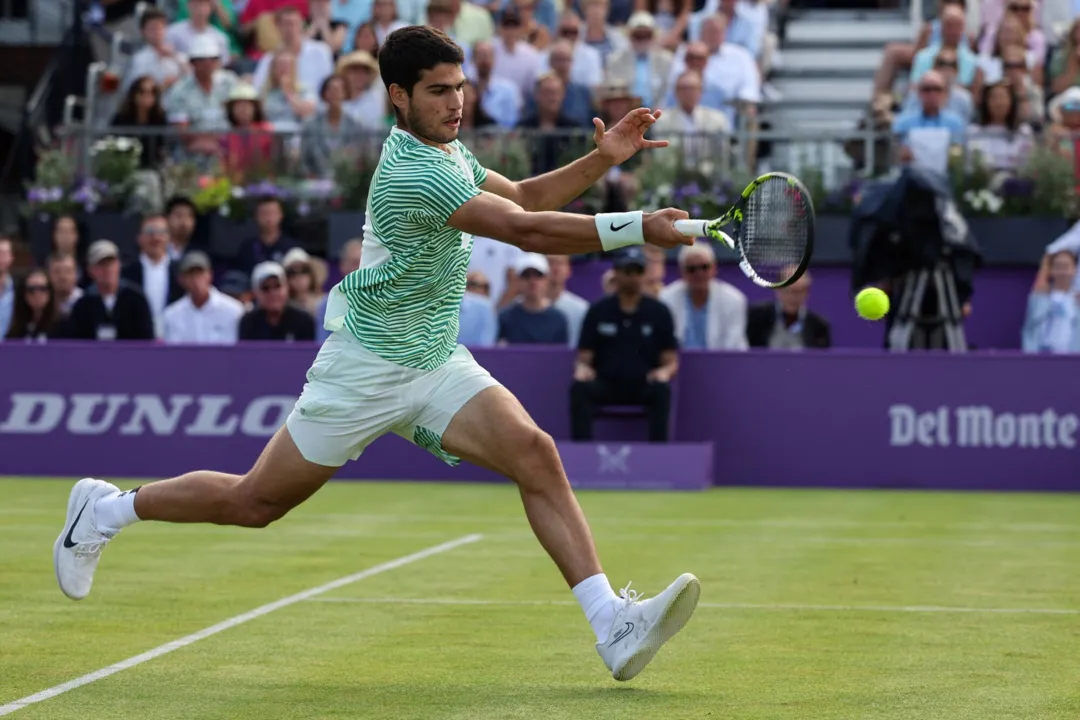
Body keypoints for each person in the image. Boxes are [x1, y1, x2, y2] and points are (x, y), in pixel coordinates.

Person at [53, 25, 699, 684]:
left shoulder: (450, 151)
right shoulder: (413, 171)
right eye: (439, 91)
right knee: (255, 504)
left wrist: (604, 159)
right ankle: (105, 509)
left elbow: (528, 198)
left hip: (435, 360)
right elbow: (526, 231)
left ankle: (611, 626)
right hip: (364, 368)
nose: (456, 103)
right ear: (398, 96)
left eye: (461, 87)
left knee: (535, 453)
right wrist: (635, 227)